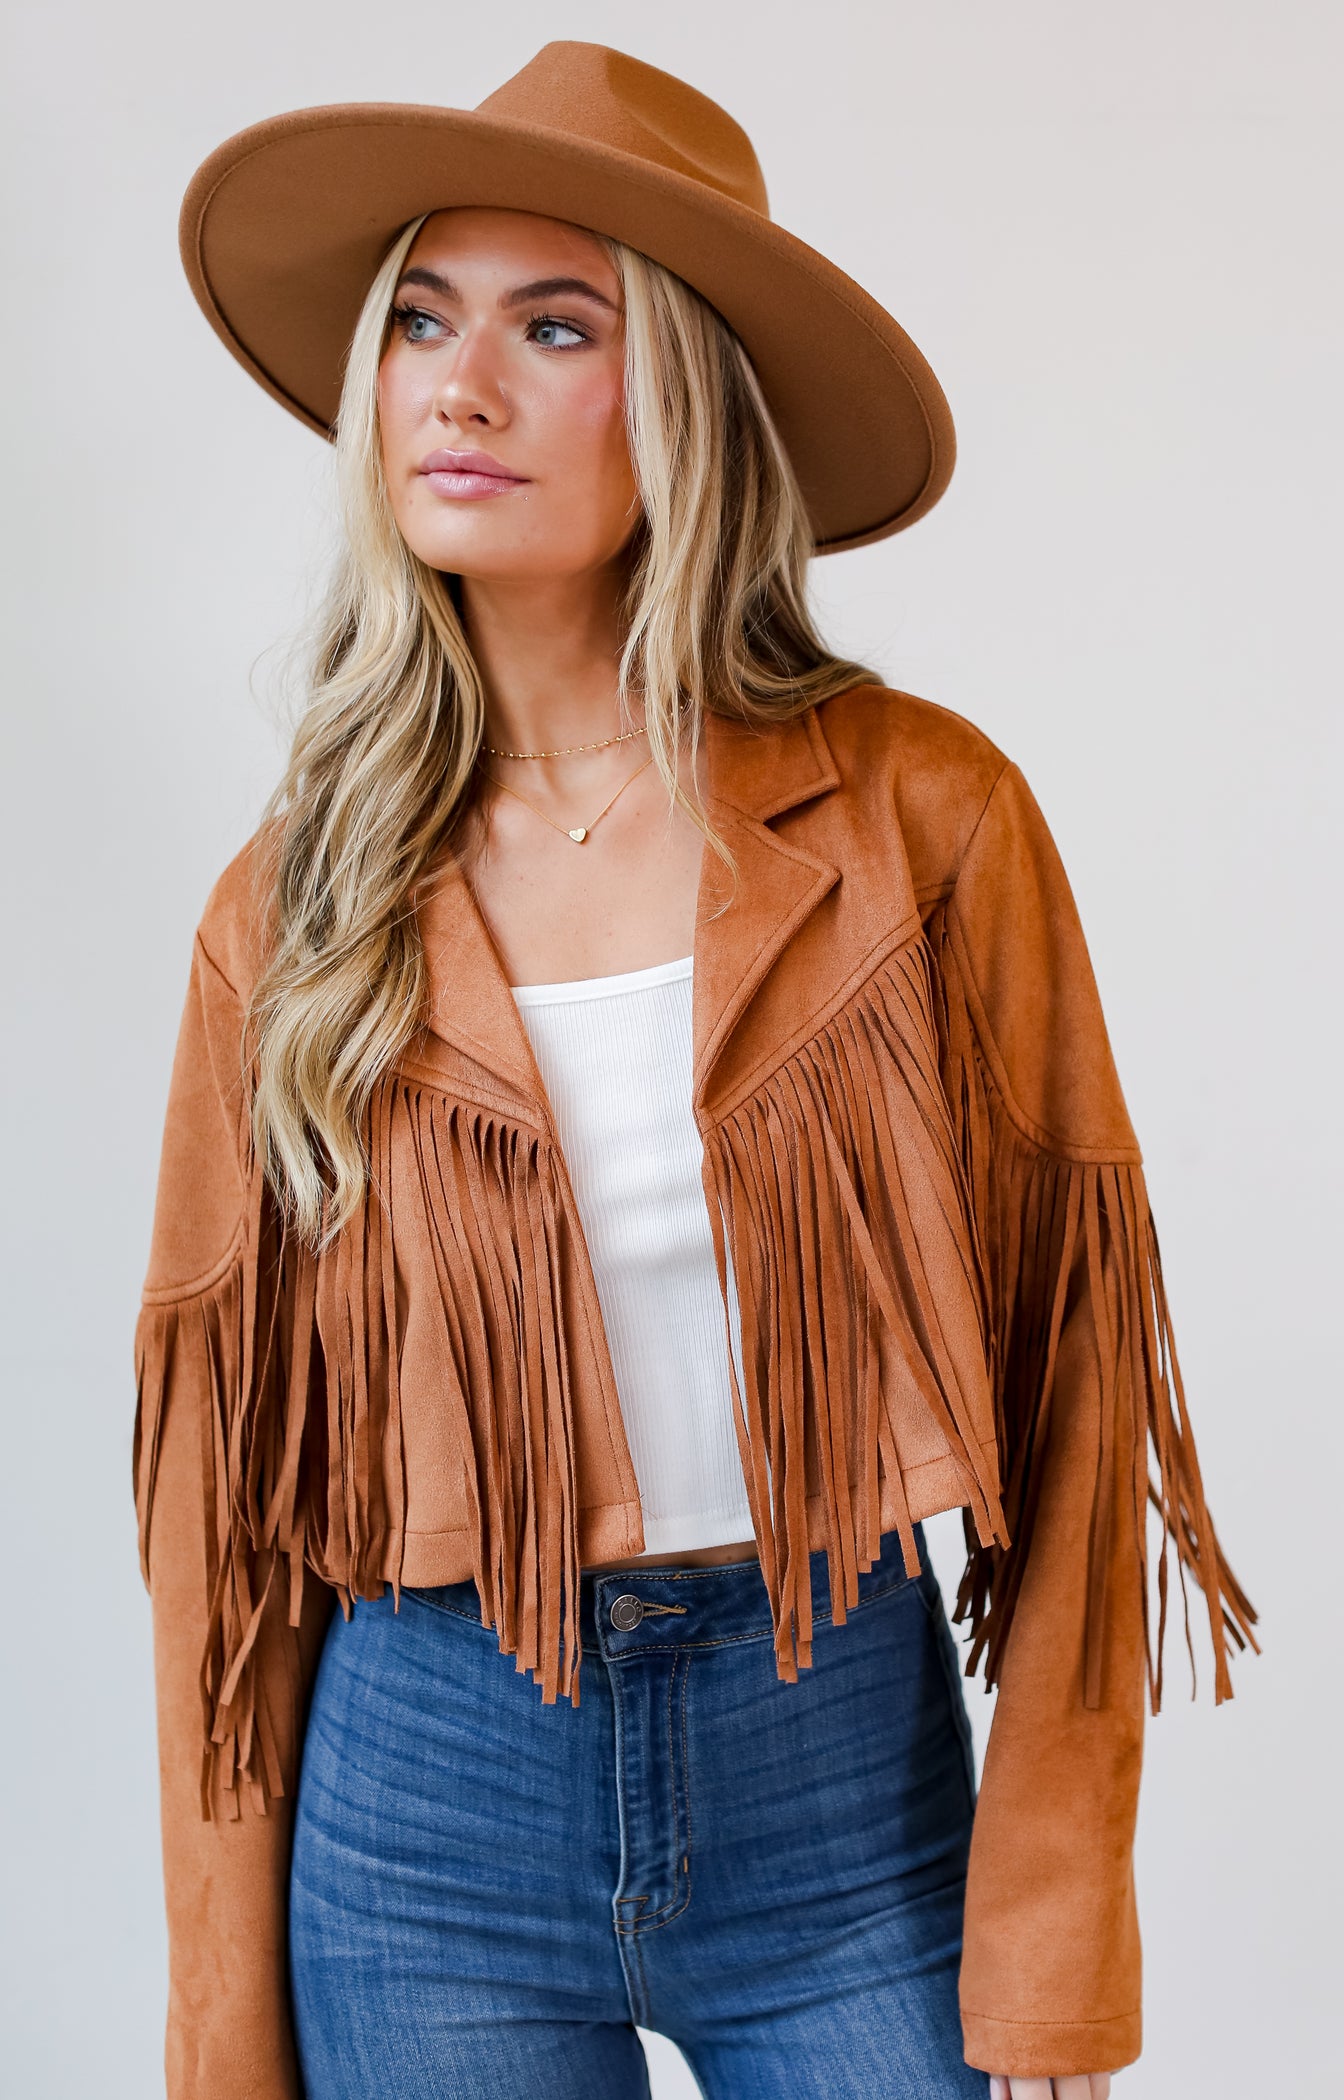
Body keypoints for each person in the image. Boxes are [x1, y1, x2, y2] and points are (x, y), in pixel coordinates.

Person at [133, 40, 1256, 2100]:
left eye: (555, 327)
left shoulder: (922, 822)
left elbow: (1082, 1380)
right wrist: (224, 2042)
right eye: (420, 320)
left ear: (691, 404)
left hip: (838, 1783)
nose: (460, 387)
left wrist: (1051, 1930)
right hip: (425, 1799)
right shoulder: (292, 902)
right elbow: (226, 1517)